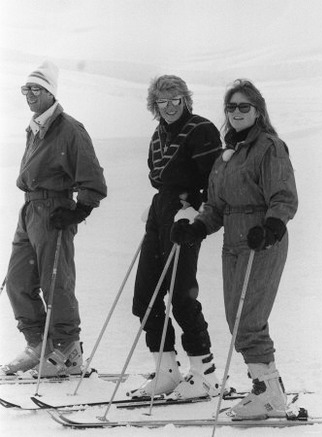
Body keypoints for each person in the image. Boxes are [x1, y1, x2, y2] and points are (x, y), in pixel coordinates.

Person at [171, 79, 298, 419]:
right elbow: (216, 207)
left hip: (262, 241)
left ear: (258, 111)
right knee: (237, 319)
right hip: (234, 245)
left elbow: (283, 196)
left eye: (244, 106)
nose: (237, 112)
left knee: (249, 320)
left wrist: (271, 227)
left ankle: (268, 395)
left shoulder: (269, 147)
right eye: (232, 107)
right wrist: (196, 227)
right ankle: (265, 387)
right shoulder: (227, 156)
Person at [0, 61, 107, 377]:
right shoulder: (36, 126)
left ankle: (67, 351)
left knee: (55, 283)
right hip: (29, 211)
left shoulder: (69, 130)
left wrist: (78, 210)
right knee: (18, 281)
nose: (29, 95)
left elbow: (93, 181)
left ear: (50, 92)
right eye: (26, 89)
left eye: (36, 89)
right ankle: (39, 345)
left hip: (53, 212)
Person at [129, 75, 223, 400]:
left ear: (186, 100)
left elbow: (216, 178)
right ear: (154, 105)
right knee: (145, 297)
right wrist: (160, 206)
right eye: (162, 101)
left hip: (186, 215)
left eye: (175, 100)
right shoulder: (158, 136)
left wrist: (194, 208)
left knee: (181, 295)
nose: (169, 107)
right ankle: (167, 371)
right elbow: (159, 177)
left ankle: (204, 374)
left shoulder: (201, 129)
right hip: (162, 211)